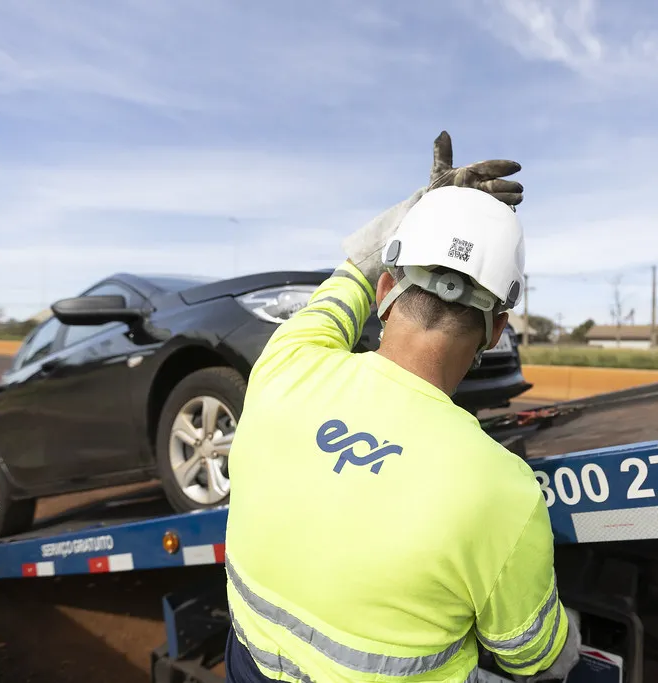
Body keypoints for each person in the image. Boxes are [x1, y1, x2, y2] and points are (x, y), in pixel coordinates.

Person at [223, 131, 581, 683]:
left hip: (247, 664)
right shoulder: (502, 492)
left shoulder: (287, 364)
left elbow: (349, 274)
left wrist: (424, 208)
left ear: (387, 287)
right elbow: (534, 658)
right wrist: (570, 639)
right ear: (496, 330)